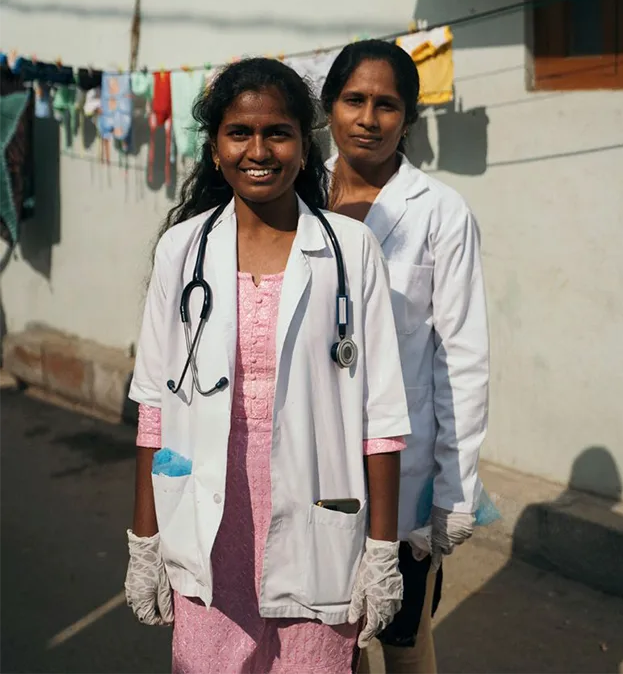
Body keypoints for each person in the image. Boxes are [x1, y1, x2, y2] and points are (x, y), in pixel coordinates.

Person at [123, 57, 412, 674]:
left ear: (304, 148)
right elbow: (153, 407)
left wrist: (382, 551)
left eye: (278, 133)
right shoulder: (182, 251)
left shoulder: (351, 251)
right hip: (208, 516)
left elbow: (381, 417)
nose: (260, 150)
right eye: (240, 133)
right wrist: (144, 540)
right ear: (217, 148)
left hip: (318, 515)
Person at [322, 41, 489, 674]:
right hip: (317, 458)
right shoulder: (297, 197)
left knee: (403, 636)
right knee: (331, 632)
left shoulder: (442, 212)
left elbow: (462, 357)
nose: (369, 118)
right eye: (354, 100)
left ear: (409, 120)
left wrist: (455, 487)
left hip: (408, 464)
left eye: (387, 104)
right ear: (330, 108)